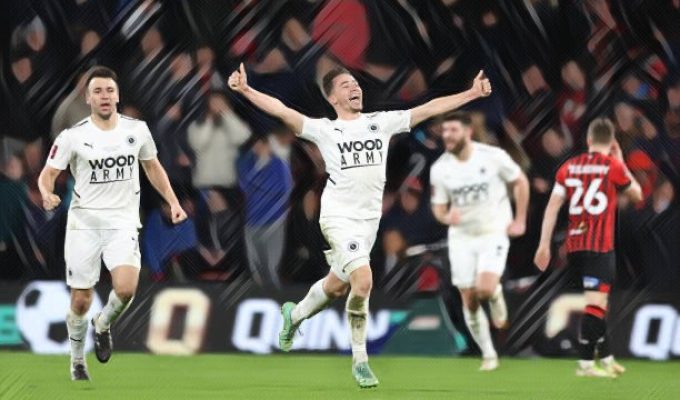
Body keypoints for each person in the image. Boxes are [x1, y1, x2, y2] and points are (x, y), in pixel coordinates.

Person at [228, 63, 491, 388]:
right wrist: (246, 89)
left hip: (368, 223)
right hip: (338, 217)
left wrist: (472, 93)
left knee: (336, 286)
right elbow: (282, 110)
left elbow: (427, 109)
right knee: (363, 280)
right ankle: (360, 361)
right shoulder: (324, 129)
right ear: (333, 97)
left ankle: (293, 316)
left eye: (356, 83)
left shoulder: (379, 123)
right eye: (346, 85)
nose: (355, 88)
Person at [37, 66, 187, 381]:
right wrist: (47, 193)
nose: (104, 96)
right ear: (88, 98)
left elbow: (153, 168)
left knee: (126, 288)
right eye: (98, 91)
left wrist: (172, 201)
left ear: (117, 96)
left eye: (109, 90)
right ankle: (77, 359)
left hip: (122, 222)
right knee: (80, 300)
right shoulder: (73, 136)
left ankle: (102, 324)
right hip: (84, 224)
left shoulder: (137, 130)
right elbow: (48, 174)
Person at [534, 118, 643, 378]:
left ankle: (606, 358)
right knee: (596, 305)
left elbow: (552, 207)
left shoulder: (569, 167)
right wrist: (622, 162)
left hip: (574, 247)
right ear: (611, 141)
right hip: (599, 247)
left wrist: (543, 245)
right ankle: (585, 364)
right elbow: (637, 195)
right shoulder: (613, 166)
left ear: (589, 141)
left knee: (597, 303)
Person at [429, 111, 530, 371]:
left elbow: (520, 181)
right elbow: (438, 207)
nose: (447, 135)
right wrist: (445, 216)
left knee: (484, 289)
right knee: (469, 299)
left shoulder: (493, 157)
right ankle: (488, 353)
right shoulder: (440, 168)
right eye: (445, 131)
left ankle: (494, 292)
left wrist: (519, 219)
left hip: (492, 231)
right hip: (461, 237)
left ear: (468, 132)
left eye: (453, 130)